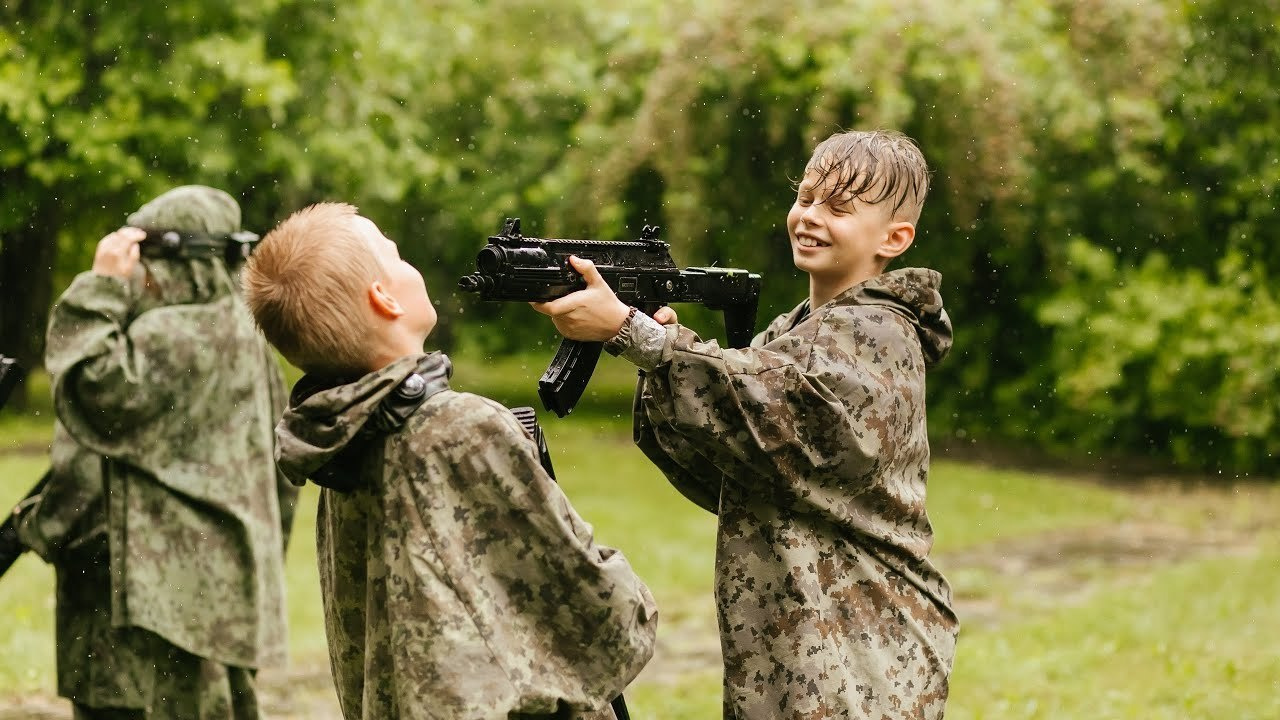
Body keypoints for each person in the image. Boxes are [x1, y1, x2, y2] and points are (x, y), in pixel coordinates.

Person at [533, 129, 958, 719]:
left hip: (860, 650)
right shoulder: (795, 333)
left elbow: (786, 424)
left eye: (838, 208)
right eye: (805, 197)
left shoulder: (880, 333)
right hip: (795, 644)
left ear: (895, 237)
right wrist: (650, 350)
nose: (810, 216)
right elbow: (724, 458)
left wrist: (641, 336)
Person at [240, 202, 657, 720]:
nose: (407, 261)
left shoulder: (342, 441)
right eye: (393, 254)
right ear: (384, 298)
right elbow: (603, 622)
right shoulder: (457, 429)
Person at [15, 186, 299, 720]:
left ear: (177, 263)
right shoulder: (245, 334)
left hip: (160, 597)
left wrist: (99, 288)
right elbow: (280, 472)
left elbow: (89, 389)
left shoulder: (177, 332)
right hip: (220, 587)